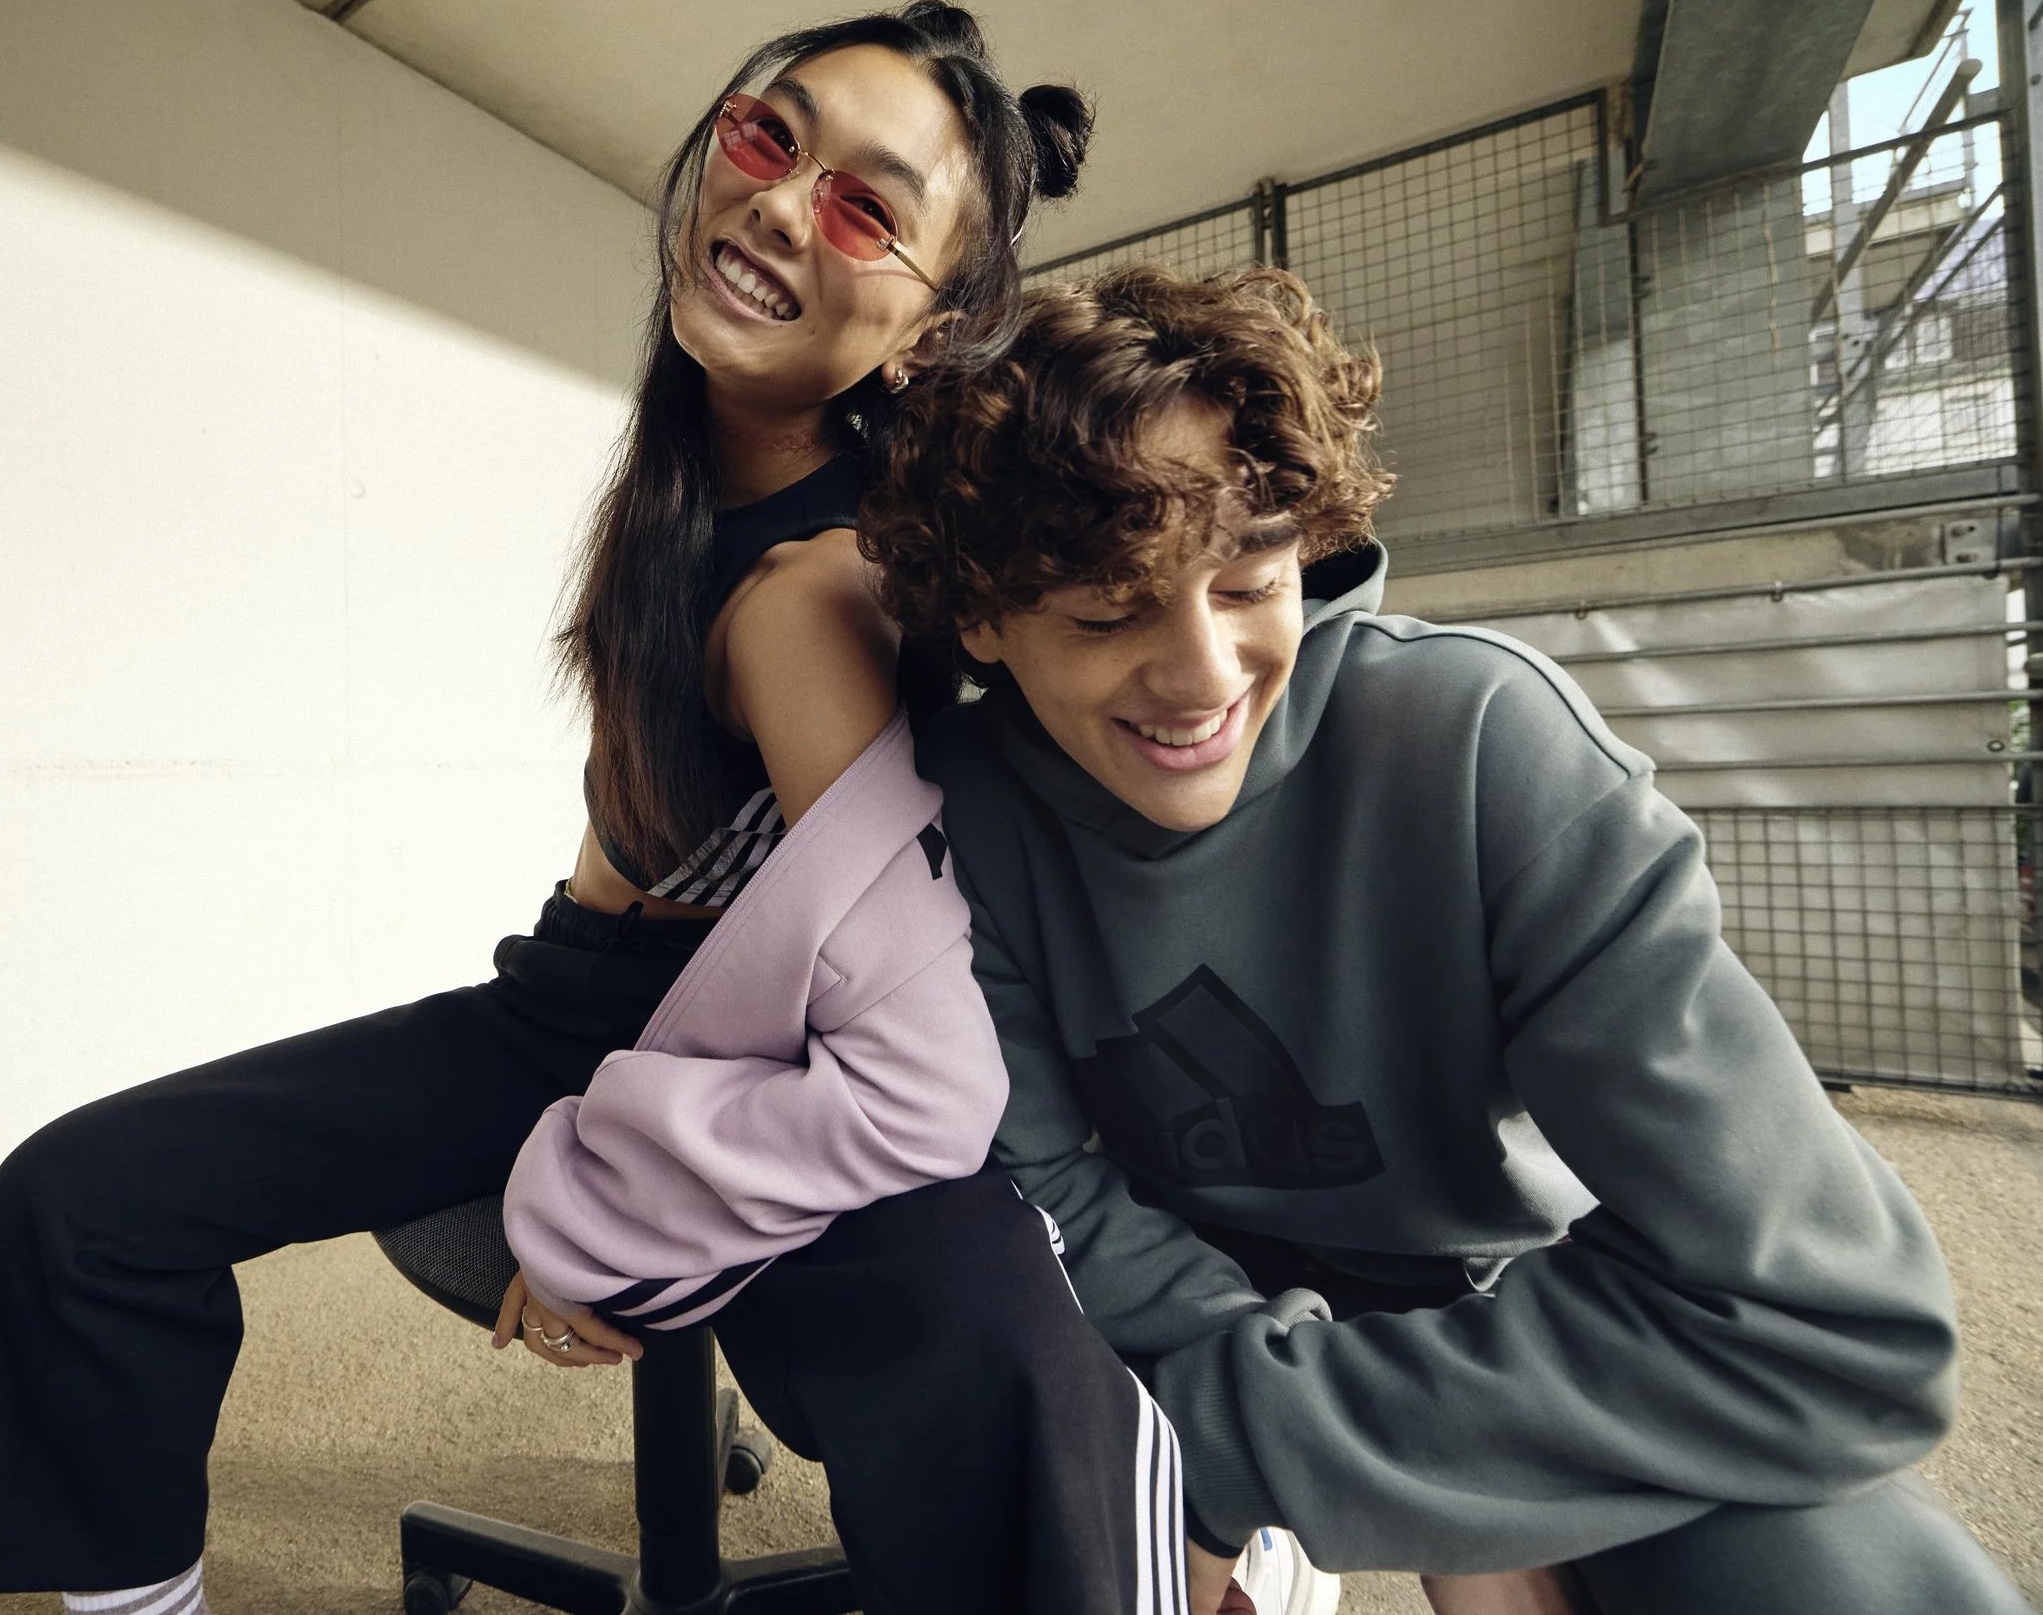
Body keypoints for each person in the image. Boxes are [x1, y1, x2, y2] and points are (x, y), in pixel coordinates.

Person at [0, 0, 1230, 1615]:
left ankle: (1211, 1560)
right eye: (767, 137)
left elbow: (912, 1073)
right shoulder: (695, 484)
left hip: (725, 1049)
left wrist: (616, 1220)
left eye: (866, 206)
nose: (782, 200)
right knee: (82, 1202)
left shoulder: (816, 589)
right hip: (561, 999)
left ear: (933, 324)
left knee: (990, 1348)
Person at [858, 264, 2037, 1614]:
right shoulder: (943, 815)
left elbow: (1840, 1323)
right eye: (1111, 610)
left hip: (1505, 1308)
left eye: (1251, 580)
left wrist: (1338, 1463)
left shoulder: (1488, 745)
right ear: (986, 619)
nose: (1202, 676)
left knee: (1859, 1582)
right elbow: (1050, 1197)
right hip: (1147, 1330)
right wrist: (1349, 1465)